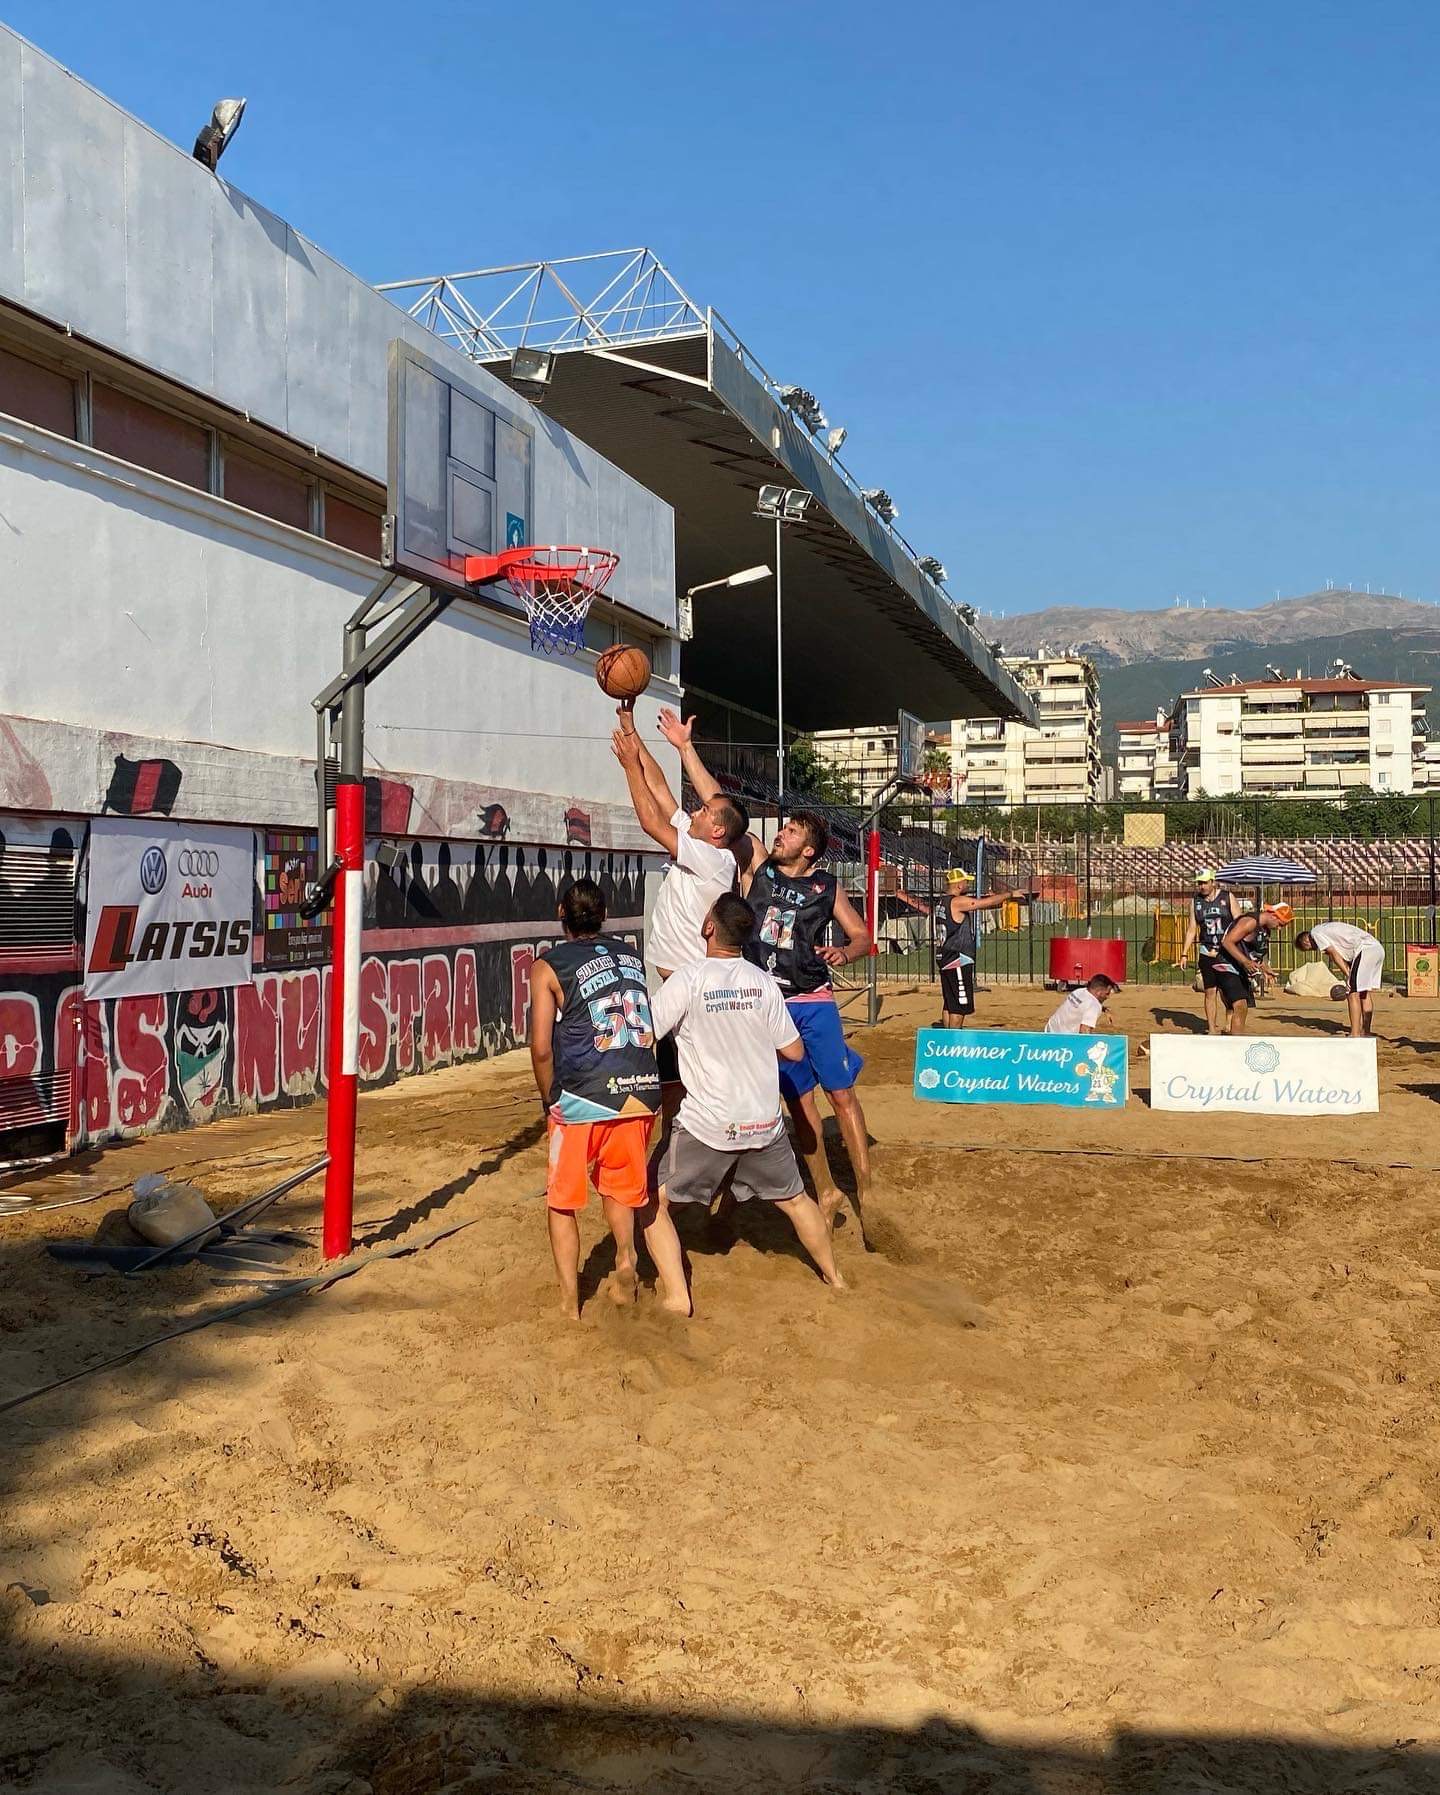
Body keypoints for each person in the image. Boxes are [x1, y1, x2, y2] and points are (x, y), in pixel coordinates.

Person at [654, 711, 873, 1232]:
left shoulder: (827, 888)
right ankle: (823, 1191)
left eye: (792, 830)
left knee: (840, 1096)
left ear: (810, 848)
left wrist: (848, 951)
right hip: (764, 1002)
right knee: (793, 1100)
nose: (783, 833)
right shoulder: (758, 865)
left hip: (812, 1001)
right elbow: (719, 810)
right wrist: (686, 749)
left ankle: (868, 1188)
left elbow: (864, 935)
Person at [650, 893, 845, 1291]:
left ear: (708, 928)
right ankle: (836, 1277)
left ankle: (675, 1296)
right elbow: (793, 1050)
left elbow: (646, 1032)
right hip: (764, 1121)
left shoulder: (688, 978)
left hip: (710, 1123)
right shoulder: (762, 981)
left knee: (652, 1202)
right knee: (795, 1201)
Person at [528, 878, 689, 1321]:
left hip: (583, 1093)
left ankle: (568, 1304)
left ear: (561, 911)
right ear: (604, 912)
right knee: (619, 1186)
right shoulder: (632, 957)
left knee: (562, 1200)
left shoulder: (548, 966)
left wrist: (549, 1100)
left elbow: (541, 1047)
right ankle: (624, 1255)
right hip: (640, 1088)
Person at [610, 713, 750, 1106]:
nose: (699, 811)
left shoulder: (713, 859)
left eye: (706, 811)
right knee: (674, 1077)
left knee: (696, 1079)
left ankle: (717, 1142)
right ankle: (684, 1144)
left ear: (718, 832)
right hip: (679, 981)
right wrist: (631, 729)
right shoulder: (698, 840)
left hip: (692, 984)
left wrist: (627, 769)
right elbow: (660, 787)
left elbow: (650, 821)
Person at [937, 868, 1035, 1028]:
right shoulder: (956, 902)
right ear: (959, 885)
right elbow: (984, 903)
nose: (967, 884)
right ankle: (954, 1041)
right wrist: (1010, 895)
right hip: (957, 959)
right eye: (966, 881)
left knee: (950, 1002)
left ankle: (948, 1038)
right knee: (959, 1006)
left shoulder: (942, 901)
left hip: (945, 956)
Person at [1295, 921, 1385, 1038]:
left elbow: (1333, 954)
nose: (1314, 949)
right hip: (1377, 948)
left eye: (1309, 948)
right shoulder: (1324, 929)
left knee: (1352, 993)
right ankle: (1365, 1032)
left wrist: (1348, 975)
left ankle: (1355, 1033)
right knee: (1363, 992)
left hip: (1365, 950)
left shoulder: (1315, 933)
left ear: (1306, 941)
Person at [1216, 901, 1292, 1035]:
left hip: (1239, 969)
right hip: (1226, 966)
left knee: (1241, 1008)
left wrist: (1264, 968)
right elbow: (1227, 942)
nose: (1279, 929)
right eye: (1280, 924)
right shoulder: (1250, 922)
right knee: (1240, 1006)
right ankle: (1236, 1044)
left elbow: (1254, 952)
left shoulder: (1264, 929)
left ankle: (1233, 1037)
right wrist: (1245, 962)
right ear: (1273, 916)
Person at [1179, 868, 1237, 1035]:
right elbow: (1191, 929)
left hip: (1226, 953)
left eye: (1205, 882)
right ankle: (1211, 1028)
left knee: (1227, 991)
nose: (1202, 886)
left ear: (1213, 881)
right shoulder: (1196, 902)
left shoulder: (1227, 897)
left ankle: (1228, 1023)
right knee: (1209, 991)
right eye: (1199, 883)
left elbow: (1239, 922)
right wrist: (1184, 953)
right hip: (1206, 952)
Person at [1045, 973, 1118, 1034]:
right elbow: (1084, 1031)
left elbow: (1083, 1004)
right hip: (1062, 1040)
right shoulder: (1094, 1006)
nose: (1108, 997)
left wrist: (1103, 1008)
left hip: (1050, 1029)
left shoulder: (1079, 991)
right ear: (1099, 992)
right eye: (1107, 993)